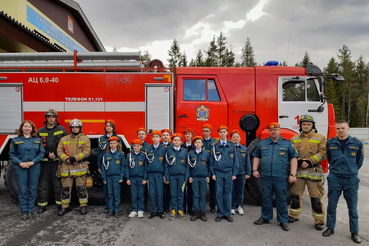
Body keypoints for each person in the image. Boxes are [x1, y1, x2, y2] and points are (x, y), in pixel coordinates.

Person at [323, 120, 364, 244]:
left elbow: (359, 161)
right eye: (338, 128)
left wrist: (350, 170)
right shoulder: (330, 143)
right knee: (332, 205)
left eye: (342, 128)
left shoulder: (356, 143)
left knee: (352, 207)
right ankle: (330, 228)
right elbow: (329, 158)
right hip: (335, 178)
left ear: (348, 128)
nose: (340, 130)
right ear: (336, 129)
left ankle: (354, 232)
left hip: (350, 179)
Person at [252, 122, 298, 231]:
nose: (273, 131)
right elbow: (256, 156)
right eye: (271, 130)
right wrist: (254, 169)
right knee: (266, 198)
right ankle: (265, 217)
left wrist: (293, 174)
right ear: (269, 131)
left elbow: (293, 159)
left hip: (281, 176)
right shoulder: (262, 144)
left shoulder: (287, 144)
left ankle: (283, 220)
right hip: (266, 176)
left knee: (281, 199)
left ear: (279, 130)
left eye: (275, 129)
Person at [288, 115, 327, 230]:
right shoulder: (294, 138)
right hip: (298, 172)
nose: (306, 126)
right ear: (300, 125)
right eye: (304, 124)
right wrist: (300, 162)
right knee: (295, 196)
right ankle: (293, 215)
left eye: (308, 124)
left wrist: (310, 161)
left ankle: (319, 221)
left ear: (312, 125)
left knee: (316, 198)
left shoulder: (321, 138)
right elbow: (291, 153)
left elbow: (323, 153)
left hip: (313, 172)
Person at [9, 120, 45, 220]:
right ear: (22, 128)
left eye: (29, 127)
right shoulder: (15, 140)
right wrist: (20, 163)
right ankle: (24, 211)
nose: (27, 128)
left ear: (32, 129)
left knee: (32, 190)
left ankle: (30, 211)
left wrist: (33, 162)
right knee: (23, 190)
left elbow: (41, 153)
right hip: (20, 167)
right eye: (25, 126)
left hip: (34, 167)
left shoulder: (38, 140)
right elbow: (12, 154)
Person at [37, 109, 68, 214]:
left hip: (57, 162)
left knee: (58, 184)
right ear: (46, 118)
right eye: (49, 117)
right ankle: (42, 205)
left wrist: (55, 153)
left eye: (53, 117)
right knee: (43, 185)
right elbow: (37, 145)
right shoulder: (40, 131)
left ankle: (59, 205)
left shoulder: (62, 129)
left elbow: (65, 144)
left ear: (56, 118)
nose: (51, 118)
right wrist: (47, 154)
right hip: (45, 162)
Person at [57, 118, 91, 216]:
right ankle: (64, 207)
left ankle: (83, 206)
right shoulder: (64, 139)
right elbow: (59, 151)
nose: (75, 129)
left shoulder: (85, 138)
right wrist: (66, 159)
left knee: (81, 188)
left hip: (80, 167)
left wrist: (74, 158)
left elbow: (86, 152)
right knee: (65, 189)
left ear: (80, 128)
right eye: (73, 127)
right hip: (67, 168)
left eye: (77, 127)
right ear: (70, 128)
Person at [210, 125, 239, 223]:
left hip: (229, 172)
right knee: (218, 193)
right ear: (218, 134)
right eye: (221, 132)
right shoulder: (215, 146)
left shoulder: (232, 145)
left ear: (227, 133)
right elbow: (211, 161)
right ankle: (220, 213)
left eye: (224, 132)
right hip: (218, 172)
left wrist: (234, 172)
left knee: (227, 193)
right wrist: (213, 173)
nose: (222, 134)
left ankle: (227, 214)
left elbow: (236, 160)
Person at [98, 119, 123, 213]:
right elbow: (100, 153)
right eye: (107, 126)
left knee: (115, 192)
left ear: (113, 128)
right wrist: (99, 166)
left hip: (115, 168)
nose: (108, 127)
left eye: (110, 126)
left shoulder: (118, 139)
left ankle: (115, 208)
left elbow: (120, 152)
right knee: (107, 189)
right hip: (105, 166)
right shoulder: (101, 139)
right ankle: (108, 206)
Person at [165, 133, 189, 220]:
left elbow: (187, 165)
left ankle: (180, 210)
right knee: (173, 194)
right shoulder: (169, 152)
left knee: (181, 193)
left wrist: (186, 177)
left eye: (178, 140)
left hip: (182, 176)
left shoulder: (185, 152)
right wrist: (167, 177)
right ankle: (174, 210)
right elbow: (166, 166)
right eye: (175, 140)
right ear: (172, 141)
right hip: (172, 176)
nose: (176, 141)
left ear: (181, 142)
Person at [145, 130, 168, 219]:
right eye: (153, 137)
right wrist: (146, 175)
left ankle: (160, 210)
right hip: (151, 174)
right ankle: (154, 210)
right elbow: (146, 163)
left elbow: (166, 163)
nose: (155, 138)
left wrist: (165, 175)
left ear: (160, 138)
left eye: (157, 137)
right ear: (152, 138)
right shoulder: (148, 149)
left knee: (160, 192)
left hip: (160, 174)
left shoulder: (164, 149)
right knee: (152, 193)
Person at [188, 136, 212, 222]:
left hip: (203, 178)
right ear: (194, 144)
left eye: (199, 142)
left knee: (202, 195)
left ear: (202, 144)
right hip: (194, 178)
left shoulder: (207, 154)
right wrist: (189, 176)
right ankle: (195, 211)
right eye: (196, 142)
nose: (197, 144)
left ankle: (202, 212)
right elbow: (188, 167)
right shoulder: (190, 154)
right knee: (195, 195)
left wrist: (208, 176)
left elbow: (210, 166)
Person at [101, 136, 125, 218]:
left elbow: (123, 166)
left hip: (117, 177)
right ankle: (110, 210)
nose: (112, 145)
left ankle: (117, 211)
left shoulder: (121, 154)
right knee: (110, 194)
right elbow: (103, 167)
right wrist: (104, 178)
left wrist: (121, 177)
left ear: (117, 144)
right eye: (111, 143)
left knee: (117, 194)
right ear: (109, 144)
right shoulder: (106, 155)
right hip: (108, 177)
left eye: (114, 143)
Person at [230, 129, 251, 216]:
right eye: (234, 137)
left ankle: (239, 206)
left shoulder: (244, 149)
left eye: (237, 137)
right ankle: (231, 207)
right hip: (231, 173)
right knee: (231, 190)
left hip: (241, 173)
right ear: (231, 138)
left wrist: (248, 173)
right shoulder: (229, 148)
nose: (235, 138)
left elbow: (247, 162)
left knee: (240, 190)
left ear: (240, 138)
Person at [126, 139, 147, 218]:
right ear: (133, 147)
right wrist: (127, 178)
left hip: (141, 178)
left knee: (141, 194)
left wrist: (145, 178)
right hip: (132, 178)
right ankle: (134, 209)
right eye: (135, 146)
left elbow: (145, 168)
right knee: (134, 194)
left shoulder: (143, 156)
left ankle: (140, 209)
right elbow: (127, 168)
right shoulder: (129, 156)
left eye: (138, 146)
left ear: (141, 146)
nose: (136, 147)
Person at [202, 124, 217, 213]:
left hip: (212, 168)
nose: (205, 133)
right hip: (203, 168)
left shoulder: (215, 142)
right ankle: (201, 207)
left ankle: (212, 206)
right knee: (202, 189)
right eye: (204, 131)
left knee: (213, 188)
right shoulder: (199, 141)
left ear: (210, 132)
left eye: (207, 131)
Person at [182, 128, 195, 215]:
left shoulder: (194, 147)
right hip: (183, 172)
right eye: (186, 134)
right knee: (182, 191)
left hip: (192, 172)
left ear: (192, 136)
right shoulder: (181, 146)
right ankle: (183, 208)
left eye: (189, 134)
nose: (187, 135)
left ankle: (190, 208)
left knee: (191, 191)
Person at [161, 128, 173, 213]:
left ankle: (167, 206)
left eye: (167, 135)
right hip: (161, 170)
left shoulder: (172, 146)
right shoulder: (159, 145)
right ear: (161, 136)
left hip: (169, 170)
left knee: (168, 190)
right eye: (164, 135)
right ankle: (161, 206)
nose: (165, 136)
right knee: (161, 190)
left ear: (170, 136)